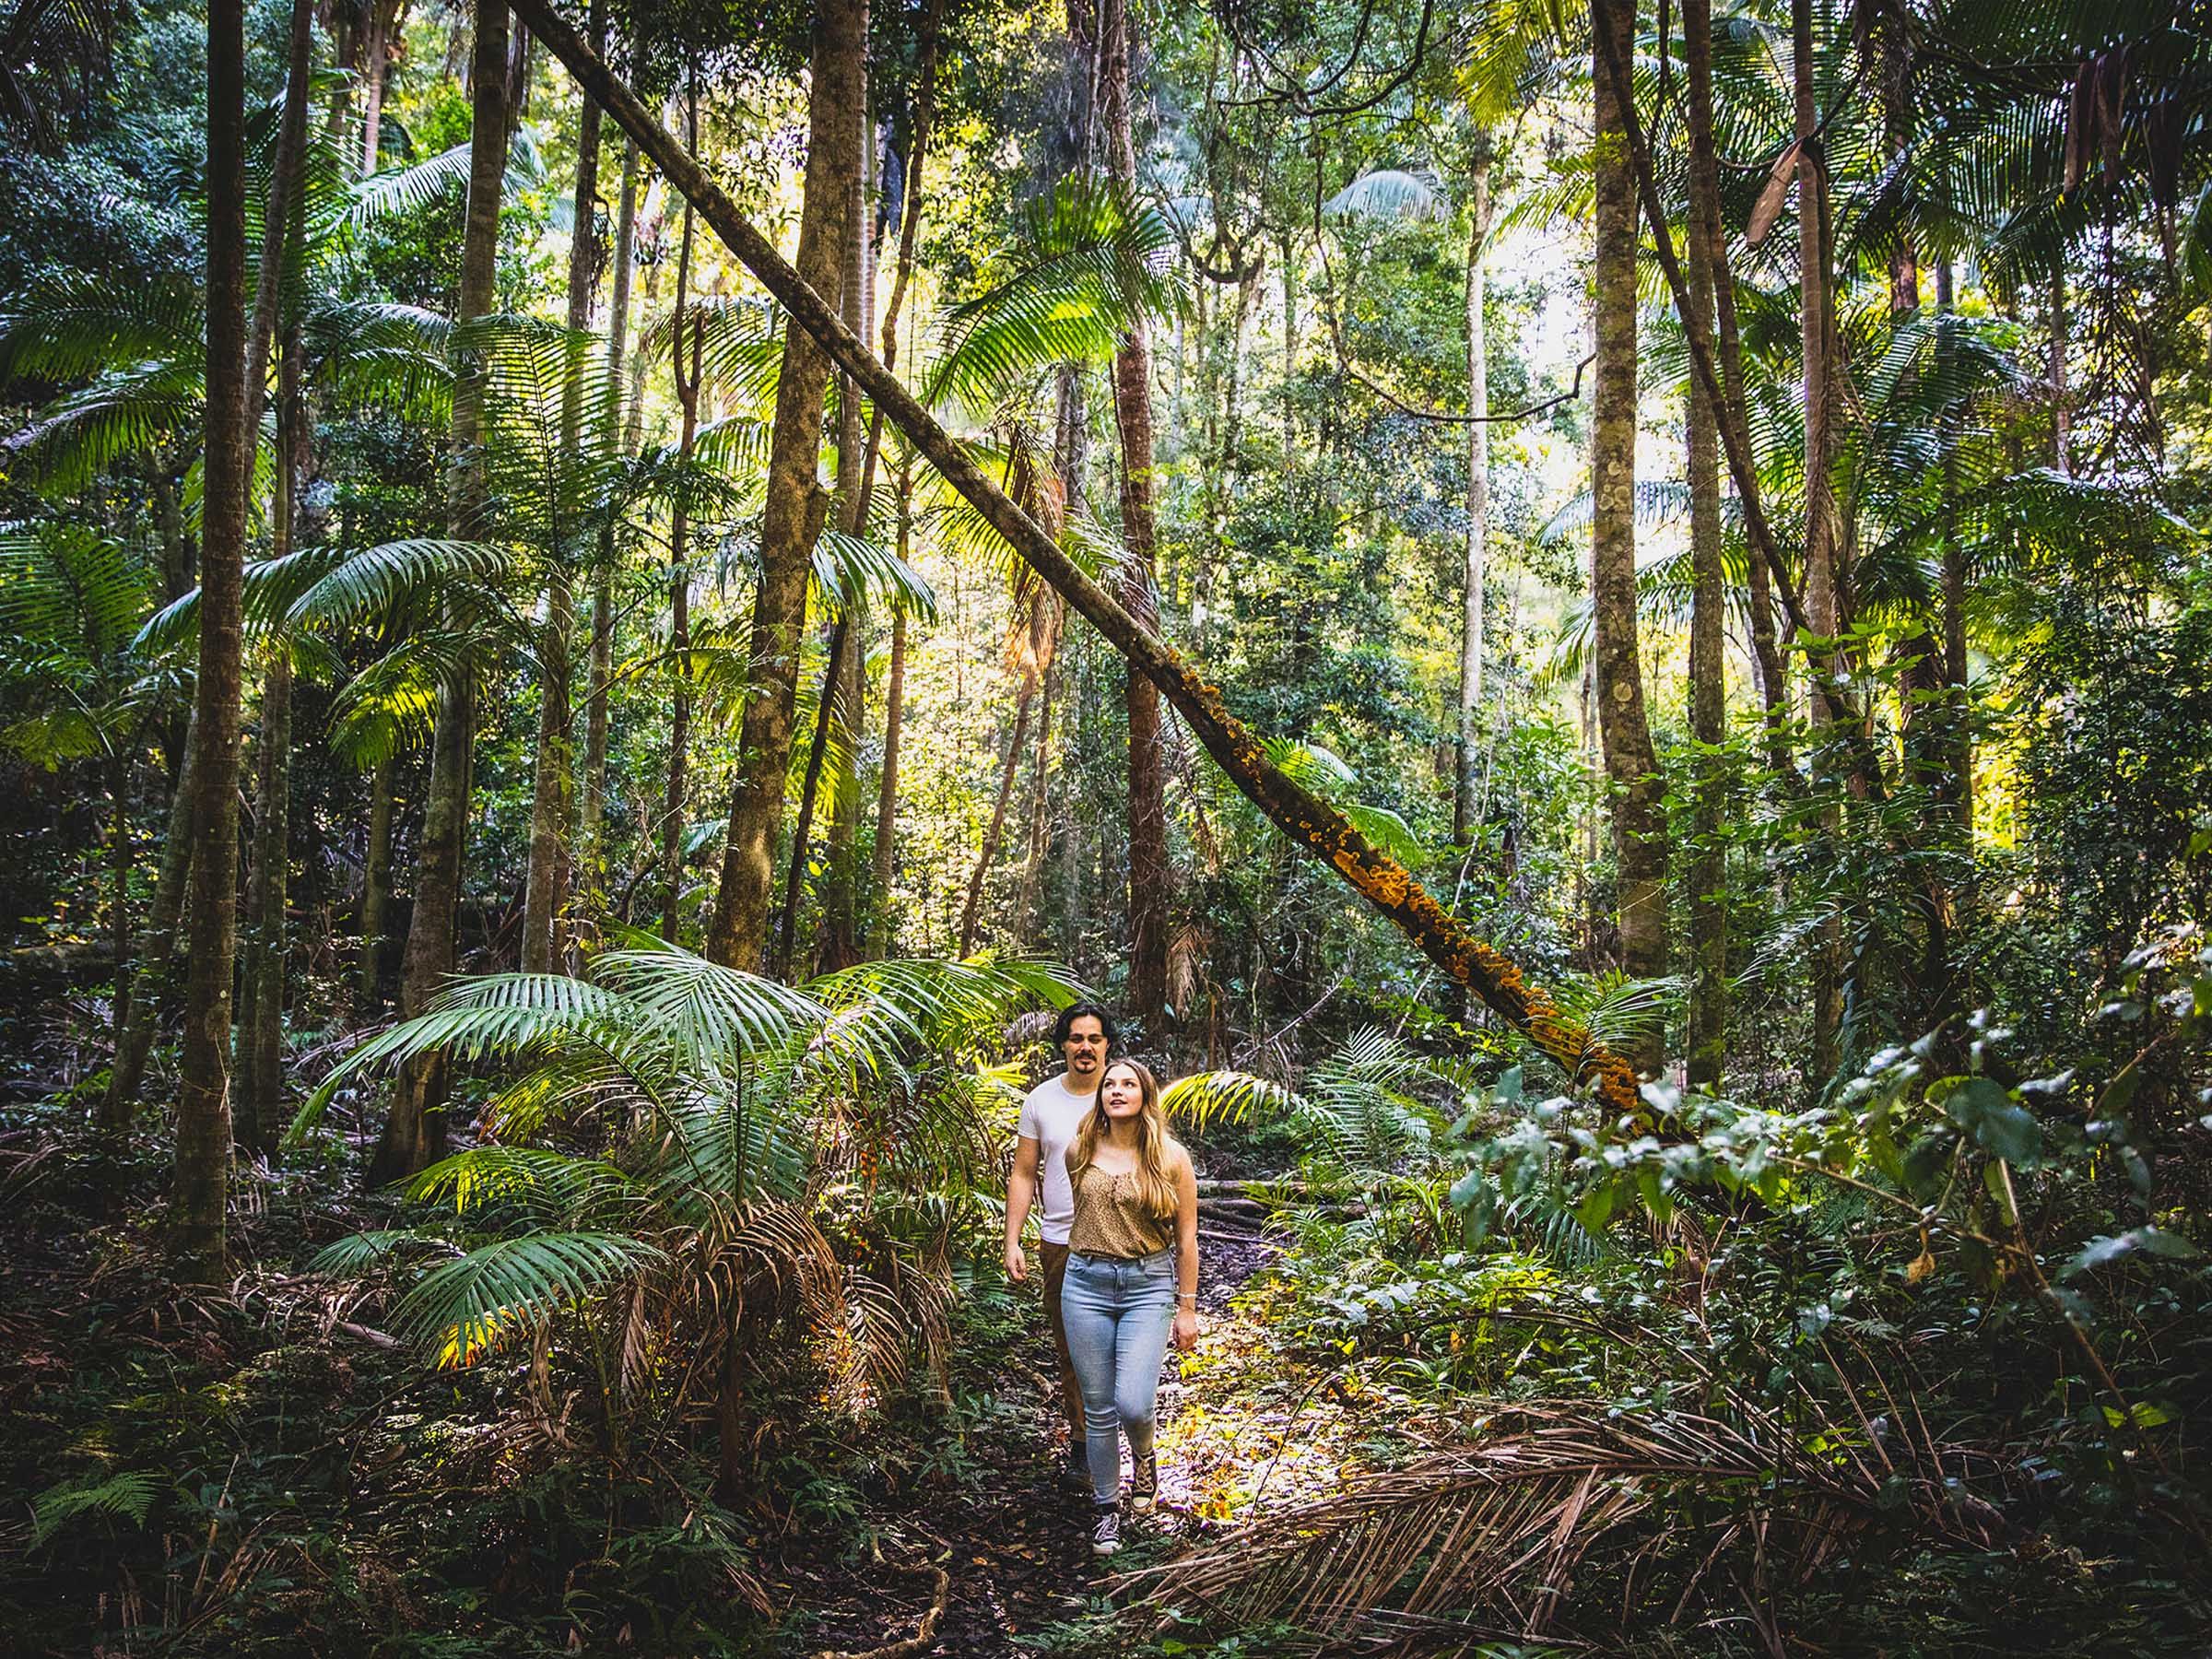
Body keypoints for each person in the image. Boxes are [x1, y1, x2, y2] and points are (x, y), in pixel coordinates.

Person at [1058, 1058, 1199, 1557]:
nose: (1117, 1091)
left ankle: (1144, 1454)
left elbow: (1187, 1238)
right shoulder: (1080, 1149)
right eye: (1110, 1085)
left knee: (1134, 1403)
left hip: (1148, 1284)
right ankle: (1106, 1512)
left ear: (1145, 1095)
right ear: (1101, 1096)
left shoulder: (1171, 1158)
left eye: (1128, 1084)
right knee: (1098, 1409)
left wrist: (1187, 1308)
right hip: (1086, 1284)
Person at [1004, 1002, 1119, 1492]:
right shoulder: (1042, 1101)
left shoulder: (1124, 1093)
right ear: (1063, 1045)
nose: (1085, 1047)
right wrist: (1012, 1239)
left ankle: (1125, 1438)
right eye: (1076, 1038)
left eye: (1094, 1038)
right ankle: (1083, 1445)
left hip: (1122, 1243)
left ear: (1107, 1045)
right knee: (1073, 1352)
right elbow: (1024, 1173)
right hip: (1062, 1245)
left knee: (1120, 1351)